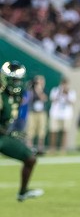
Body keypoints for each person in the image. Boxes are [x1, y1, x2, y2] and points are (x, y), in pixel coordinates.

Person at [0, 61, 44, 201]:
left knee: (30, 158)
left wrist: (12, 133)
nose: (17, 83)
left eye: (19, 79)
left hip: (2, 136)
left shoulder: (18, 95)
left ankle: (22, 192)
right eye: (14, 80)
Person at [48, 77, 76, 154]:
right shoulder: (55, 90)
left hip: (66, 115)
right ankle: (52, 148)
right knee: (53, 131)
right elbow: (52, 100)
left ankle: (63, 149)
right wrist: (60, 93)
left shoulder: (71, 92)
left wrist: (66, 94)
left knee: (65, 132)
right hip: (55, 114)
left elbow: (72, 102)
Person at [25, 75, 48, 155]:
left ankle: (40, 148)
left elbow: (44, 98)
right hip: (32, 112)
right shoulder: (31, 90)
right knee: (30, 130)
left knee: (41, 130)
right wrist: (33, 88)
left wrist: (39, 90)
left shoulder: (43, 90)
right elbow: (27, 99)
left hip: (41, 113)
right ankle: (29, 148)